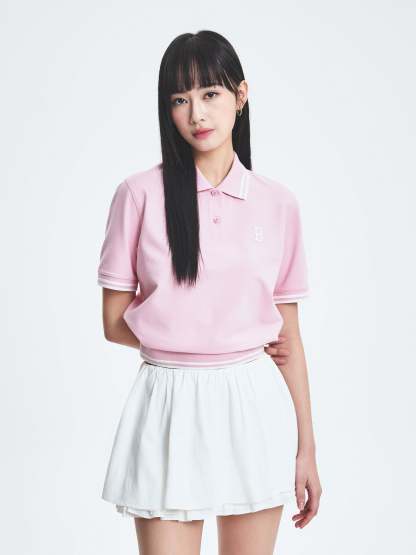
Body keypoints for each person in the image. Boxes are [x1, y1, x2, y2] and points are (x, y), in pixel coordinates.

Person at [97, 29, 322, 555]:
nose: (197, 113)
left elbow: (289, 337)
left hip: (252, 402)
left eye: (210, 94)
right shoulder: (138, 195)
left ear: (240, 96)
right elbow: (112, 322)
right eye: (180, 99)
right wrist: (201, 337)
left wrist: (307, 448)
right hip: (168, 400)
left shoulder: (278, 203)